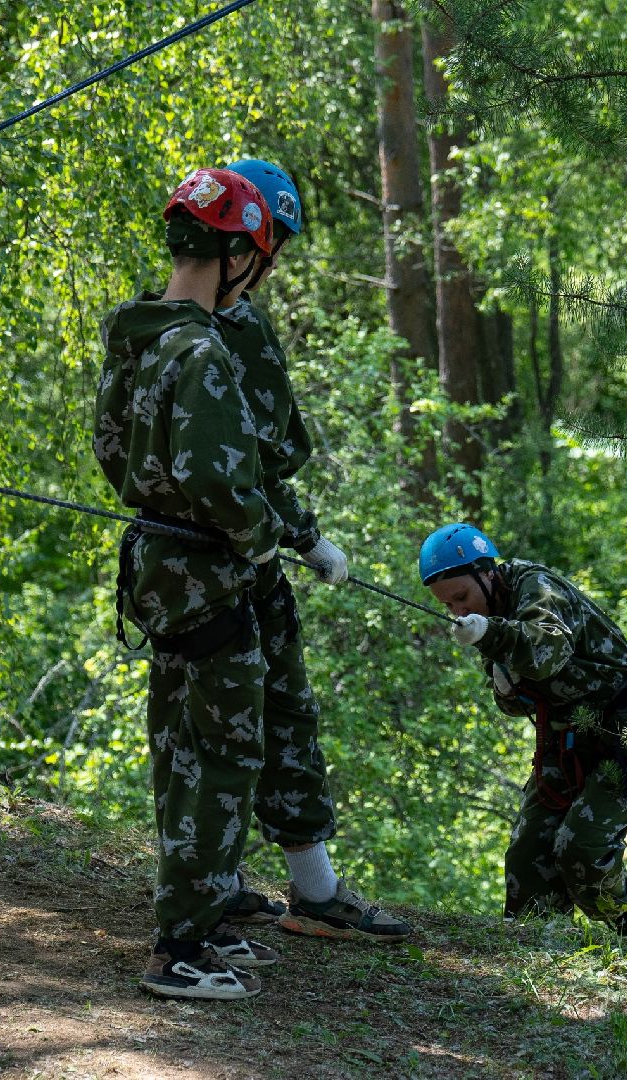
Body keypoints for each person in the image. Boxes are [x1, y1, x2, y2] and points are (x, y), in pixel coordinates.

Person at [94, 167, 287, 1000]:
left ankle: (197, 917)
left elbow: (113, 455)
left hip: (161, 569)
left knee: (180, 750)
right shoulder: (203, 350)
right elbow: (217, 481)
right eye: (260, 257)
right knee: (221, 756)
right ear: (237, 254)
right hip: (208, 572)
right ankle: (181, 948)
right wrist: (268, 538)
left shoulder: (137, 337)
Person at [211, 158, 412, 944]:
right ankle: (247, 885)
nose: (274, 260)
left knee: (265, 715)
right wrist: (302, 534)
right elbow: (251, 458)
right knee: (243, 722)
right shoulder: (202, 328)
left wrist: (298, 532)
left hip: (248, 549)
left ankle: (296, 887)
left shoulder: (224, 318)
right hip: (230, 556)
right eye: (271, 242)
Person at [419, 523, 627, 938]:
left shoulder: (537, 588)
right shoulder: (489, 618)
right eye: (448, 606)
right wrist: (503, 680)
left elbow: (545, 652)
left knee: (582, 848)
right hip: (567, 739)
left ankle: (624, 933)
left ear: (489, 573)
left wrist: (492, 635)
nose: (459, 612)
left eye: (462, 597)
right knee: (527, 855)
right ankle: (538, 950)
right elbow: (515, 704)